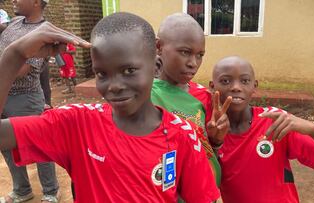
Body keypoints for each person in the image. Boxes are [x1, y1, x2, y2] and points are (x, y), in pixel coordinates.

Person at [0, 12, 220, 202]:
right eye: (102, 74)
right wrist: (14, 55)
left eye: (129, 70)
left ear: (156, 66)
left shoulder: (183, 136)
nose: (114, 86)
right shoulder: (78, 125)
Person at [209, 56, 314, 203]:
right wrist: (215, 143)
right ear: (212, 86)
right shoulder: (209, 130)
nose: (236, 87)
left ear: (254, 86)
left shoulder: (276, 121)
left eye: (245, 81)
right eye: (225, 81)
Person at [151, 13, 230, 188]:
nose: (193, 63)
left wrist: (216, 140)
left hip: (207, 190)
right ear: (158, 46)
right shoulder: (145, 95)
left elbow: (207, 149)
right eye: (185, 52)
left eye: (200, 55)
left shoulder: (204, 96)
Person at [0, 0, 60, 202]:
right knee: (5, 144)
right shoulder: (16, 23)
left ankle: (51, 191)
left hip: (25, 98)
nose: (14, 0)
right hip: (3, 94)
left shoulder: (43, 32)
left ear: (36, 2)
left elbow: (23, 69)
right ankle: (22, 189)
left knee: (38, 144)